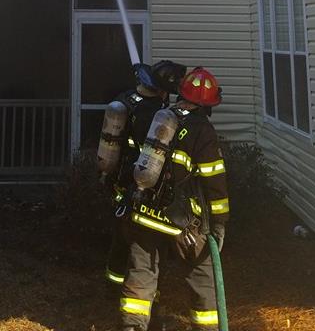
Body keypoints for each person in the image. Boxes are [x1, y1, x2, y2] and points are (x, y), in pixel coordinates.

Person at [119, 67, 229, 331]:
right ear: (207, 104)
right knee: (202, 275)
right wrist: (219, 224)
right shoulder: (203, 130)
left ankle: (132, 327)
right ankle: (207, 328)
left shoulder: (159, 116)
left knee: (141, 273)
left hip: (144, 211)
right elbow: (214, 183)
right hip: (182, 222)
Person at [97, 60, 187, 288]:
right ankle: (144, 294)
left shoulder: (127, 98)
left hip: (118, 180)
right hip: (139, 184)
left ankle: (113, 282)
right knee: (145, 244)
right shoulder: (155, 112)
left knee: (121, 236)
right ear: (161, 88)